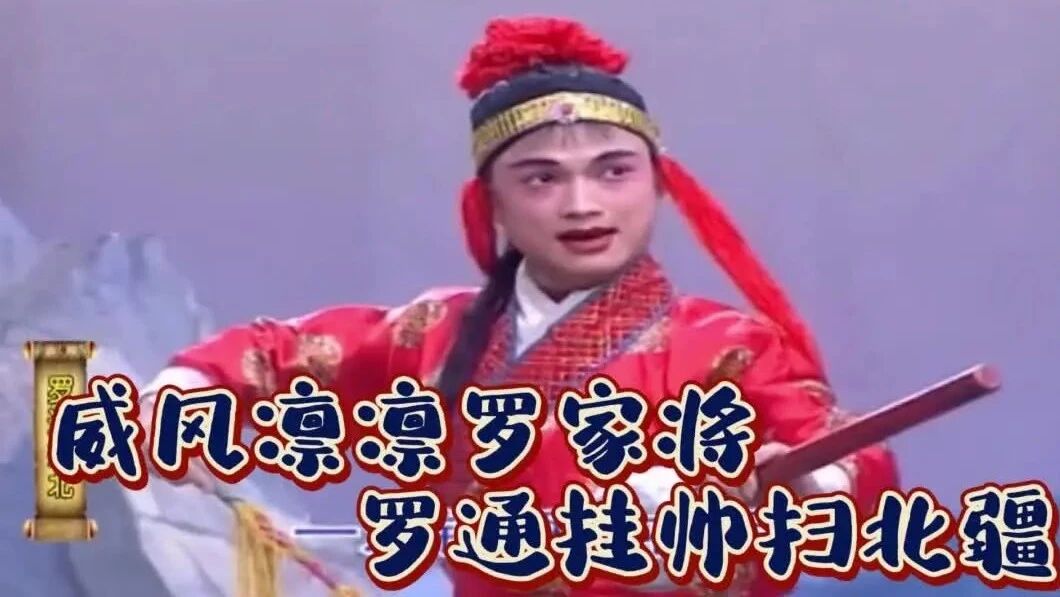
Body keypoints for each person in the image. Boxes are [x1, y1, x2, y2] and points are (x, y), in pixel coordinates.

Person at [139, 16, 898, 596]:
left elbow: (853, 460)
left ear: (661, 184)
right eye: (541, 179)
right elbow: (281, 353)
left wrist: (813, 482)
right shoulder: (434, 334)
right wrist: (187, 391)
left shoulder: (727, 346)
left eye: (614, 172)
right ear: (491, 202)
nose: (582, 203)